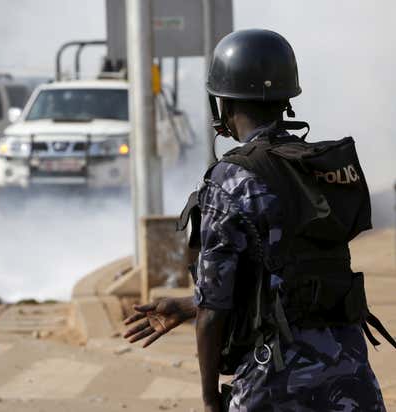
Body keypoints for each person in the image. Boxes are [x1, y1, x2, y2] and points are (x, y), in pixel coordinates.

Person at [123, 29, 394, 411]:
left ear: (224, 103)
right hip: (351, 379)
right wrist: (188, 305)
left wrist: (209, 399)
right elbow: (295, 276)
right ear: (287, 99)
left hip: (277, 385)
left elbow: (216, 308)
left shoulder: (231, 179)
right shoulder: (315, 166)